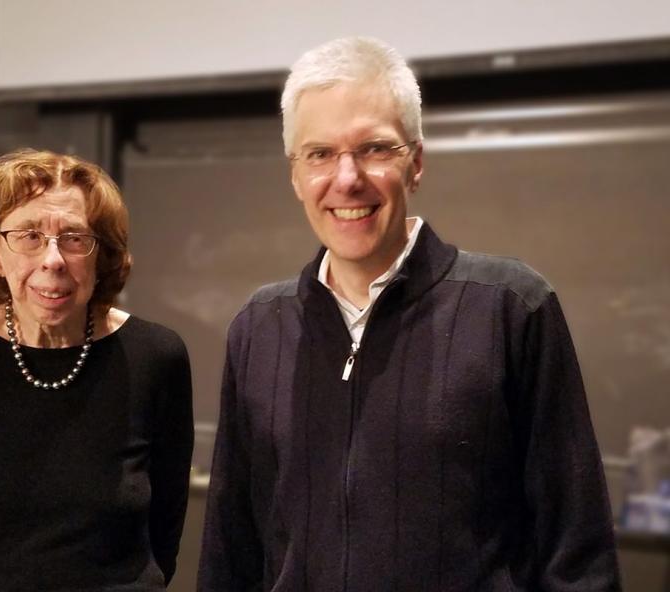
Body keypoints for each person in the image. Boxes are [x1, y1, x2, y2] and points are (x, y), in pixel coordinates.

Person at [198, 37, 621, 591]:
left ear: (415, 163)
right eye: (320, 153)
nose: (346, 178)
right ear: (295, 174)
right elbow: (231, 552)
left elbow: (577, 551)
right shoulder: (259, 328)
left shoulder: (511, 308)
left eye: (374, 149)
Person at [0, 149, 194, 591]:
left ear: (102, 257)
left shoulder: (156, 356)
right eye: (29, 236)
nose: (54, 259)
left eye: (75, 238)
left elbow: (167, 522)